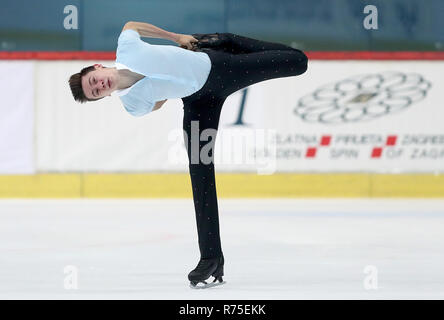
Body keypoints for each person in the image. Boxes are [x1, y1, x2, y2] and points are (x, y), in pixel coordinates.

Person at [68, 21, 308, 289]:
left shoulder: (127, 49)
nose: (100, 85)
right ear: (104, 97)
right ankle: (211, 258)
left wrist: (175, 38)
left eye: (94, 80)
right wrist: (172, 82)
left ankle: (230, 41)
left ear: (97, 68)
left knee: (298, 62)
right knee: (200, 172)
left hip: (221, 70)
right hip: (198, 104)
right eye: (97, 91)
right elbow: (157, 102)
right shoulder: (132, 105)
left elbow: (131, 25)